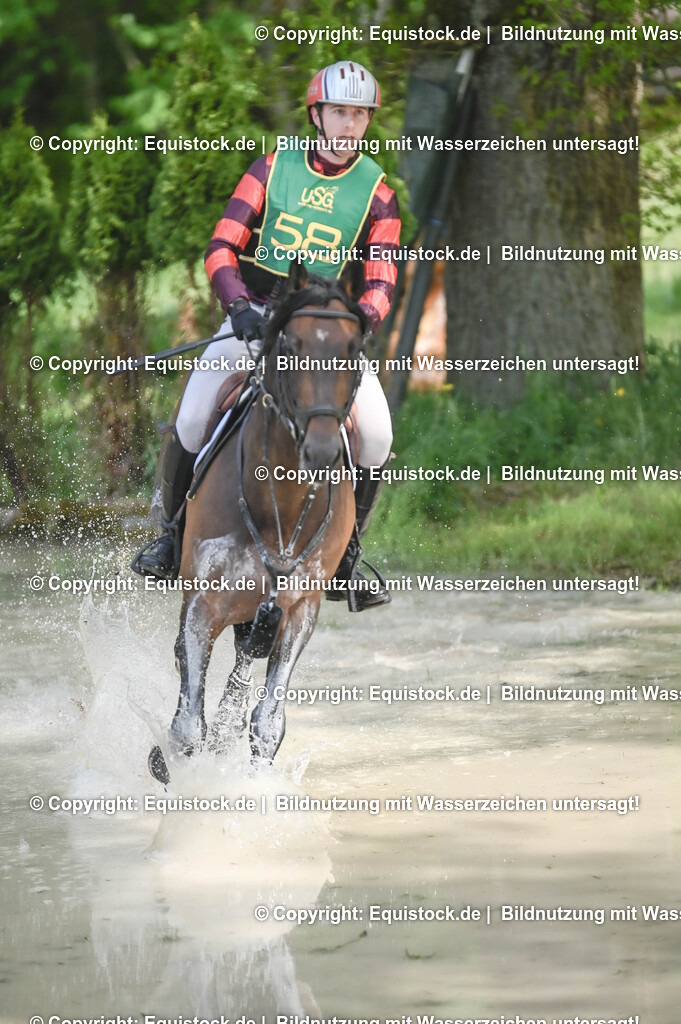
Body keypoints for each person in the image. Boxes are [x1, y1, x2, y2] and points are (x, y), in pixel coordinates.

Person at [132, 60, 401, 610]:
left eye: (359, 114)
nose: (349, 124)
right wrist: (238, 308)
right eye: (339, 112)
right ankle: (168, 534)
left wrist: (357, 325)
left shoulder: (379, 194)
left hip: (324, 337)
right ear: (317, 115)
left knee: (376, 436)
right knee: (189, 417)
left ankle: (348, 558)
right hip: (253, 317)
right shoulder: (271, 169)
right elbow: (220, 249)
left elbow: (381, 279)